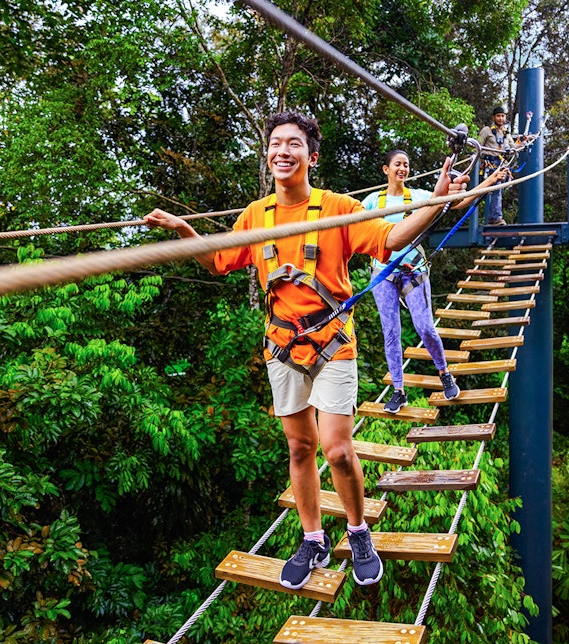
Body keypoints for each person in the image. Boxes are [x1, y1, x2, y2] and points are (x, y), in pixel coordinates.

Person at [144, 112, 469, 591]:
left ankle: (358, 532)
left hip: (333, 343)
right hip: (282, 346)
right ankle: (313, 537)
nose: (282, 152)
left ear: (311, 157)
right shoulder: (257, 216)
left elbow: (389, 241)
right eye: (276, 144)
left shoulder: (337, 208)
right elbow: (217, 260)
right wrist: (180, 228)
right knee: (300, 447)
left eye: (293, 144)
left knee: (337, 449)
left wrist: (436, 204)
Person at [362, 149, 505, 414]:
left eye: (406, 164)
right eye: (397, 164)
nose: (402, 169)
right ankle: (398, 390)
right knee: (390, 332)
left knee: (425, 327)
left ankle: (444, 373)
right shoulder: (372, 202)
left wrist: (490, 181)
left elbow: (458, 200)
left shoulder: (419, 197)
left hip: (413, 270)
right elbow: (355, 230)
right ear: (386, 170)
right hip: (383, 273)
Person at [478, 106, 513, 226]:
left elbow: (513, 147)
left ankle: (493, 217)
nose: (501, 118)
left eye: (503, 116)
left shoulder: (506, 133)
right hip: (490, 163)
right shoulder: (486, 130)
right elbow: (478, 146)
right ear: (494, 117)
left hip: (501, 164)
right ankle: (496, 218)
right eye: (498, 116)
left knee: (499, 191)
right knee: (495, 190)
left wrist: (525, 142)